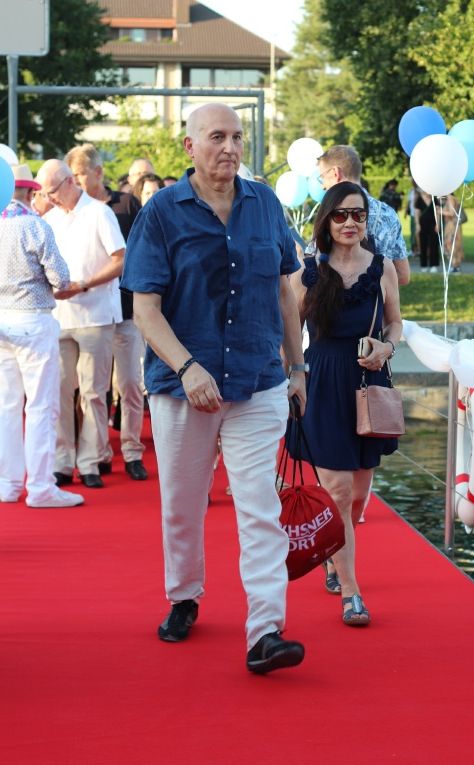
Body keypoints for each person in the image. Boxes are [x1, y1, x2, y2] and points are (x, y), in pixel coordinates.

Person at [121, 102, 307, 675]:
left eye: (237, 137)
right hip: (183, 389)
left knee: (260, 507)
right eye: (217, 136)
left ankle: (266, 631)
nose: (230, 147)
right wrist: (186, 367)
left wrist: (298, 368)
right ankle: (184, 595)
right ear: (190, 146)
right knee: (182, 506)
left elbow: (284, 293)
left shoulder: (265, 204)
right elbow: (145, 309)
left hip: (258, 381)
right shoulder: (161, 212)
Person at [289, 182, 402, 625]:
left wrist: (386, 348)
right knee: (336, 491)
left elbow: (395, 323)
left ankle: (335, 553)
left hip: (366, 384)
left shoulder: (382, 267)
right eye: (340, 215)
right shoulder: (308, 271)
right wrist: (293, 374)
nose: (350, 223)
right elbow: (288, 329)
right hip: (322, 383)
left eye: (358, 215)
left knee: (356, 496)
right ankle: (352, 593)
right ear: (326, 220)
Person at [35, 159, 126, 489]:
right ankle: (63, 461)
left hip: (96, 316)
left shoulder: (99, 213)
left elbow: (121, 259)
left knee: (93, 393)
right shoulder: (49, 219)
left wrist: (84, 284)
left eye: (53, 191)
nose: (50, 198)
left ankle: (90, 461)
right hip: (59, 317)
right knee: (59, 392)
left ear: (70, 181)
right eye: (45, 193)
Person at [0, 165, 85, 508]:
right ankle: (40, 487)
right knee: (40, 407)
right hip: (33, 320)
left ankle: (8, 483)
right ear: (30, 191)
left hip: (3, 321)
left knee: (7, 407)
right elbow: (60, 278)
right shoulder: (35, 225)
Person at [64, 144, 148, 481]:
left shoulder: (126, 204)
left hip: (126, 311)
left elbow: (142, 249)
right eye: (72, 176)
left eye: (80, 175)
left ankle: (132, 451)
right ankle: (99, 454)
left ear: (98, 172)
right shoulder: (70, 211)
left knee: (129, 385)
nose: (76, 181)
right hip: (87, 315)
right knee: (92, 389)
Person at [316, 146, 410, 285]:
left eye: (322, 177)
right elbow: (403, 275)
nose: (323, 186)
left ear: (336, 173)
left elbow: (313, 269)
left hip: (333, 296)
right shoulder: (388, 213)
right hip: (379, 298)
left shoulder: (331, 212)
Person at [415, 190, 440, 273]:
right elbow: (416, 213)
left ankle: (434, 265)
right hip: (422, 224)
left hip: (433, 225)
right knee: (423, 245)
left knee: (434, 244)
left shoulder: (434, 199)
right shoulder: (419, 199)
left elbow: (437, 213)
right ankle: (424, 265)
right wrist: (417, 224)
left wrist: (438, 224)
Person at [441, 194, 464, 273]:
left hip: (452, 226)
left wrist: (440, 211)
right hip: (452, 225)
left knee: (451, 245)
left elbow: (452, 213)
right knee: (453, 245)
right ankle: (455, 265)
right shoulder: (451, 199)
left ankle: (455, 265)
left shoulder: (450, 199)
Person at [404, 179, 419, 256]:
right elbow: (409, 202)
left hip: (419, 215)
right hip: (413, 214)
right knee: (413, 232)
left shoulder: (420, 191)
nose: (413, 183)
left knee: (417, 232)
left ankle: (418, 249)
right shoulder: (411, 191)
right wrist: (406, 211)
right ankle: (413, 250)